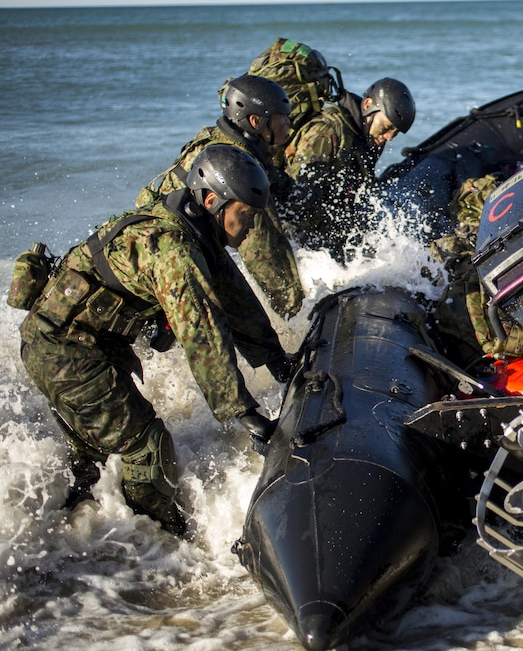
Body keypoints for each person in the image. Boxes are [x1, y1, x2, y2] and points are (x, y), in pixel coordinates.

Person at [19, 145, 295, 538]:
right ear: (214, 200)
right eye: (246, 216)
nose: (251, 227)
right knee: (146, 446)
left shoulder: (198, 227)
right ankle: (158, 542)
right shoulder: (175, 252)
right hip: (63, 349)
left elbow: (236, 300)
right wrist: (242, 412)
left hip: (90, 342)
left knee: (95, 451)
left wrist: (276, 359)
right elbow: (203, 333)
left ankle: (74, 521)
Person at [138, 74, 304, 318]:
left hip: (155, 245)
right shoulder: (238, 169)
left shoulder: (216, 140)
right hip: (171, 256)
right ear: (256, 121)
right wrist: (296, 312)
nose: (288, 124)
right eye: (282, 117)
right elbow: (262, 253)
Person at [282, 77, 416, 261]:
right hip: (301, 236)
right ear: (368, 104)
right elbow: (298, 200)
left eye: (396, 132)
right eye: (387, 127)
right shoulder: (327, 132)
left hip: (334, 228)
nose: (390, 137)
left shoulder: (365, 138)